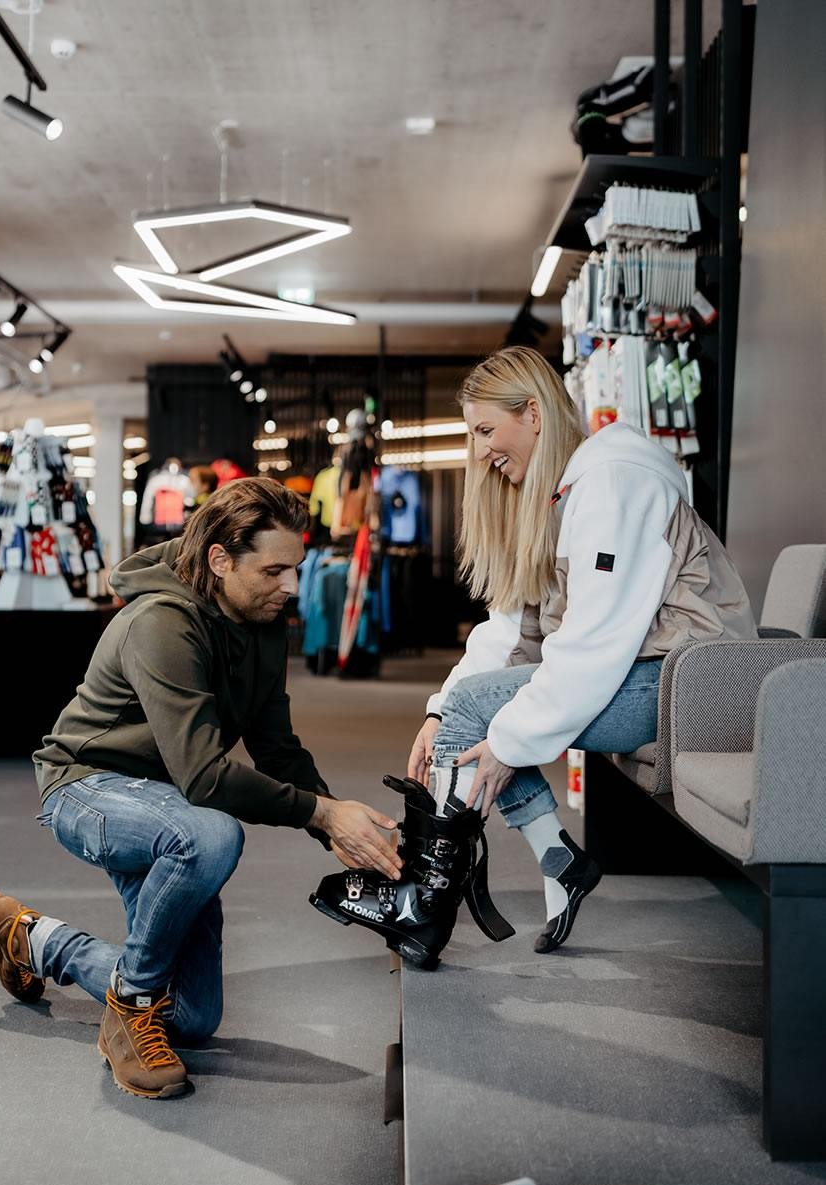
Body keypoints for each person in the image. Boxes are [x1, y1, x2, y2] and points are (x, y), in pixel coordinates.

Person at [311, 346, 757, 964]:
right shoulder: (565, 493)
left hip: (695, 688)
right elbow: (508, 631)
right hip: (655, 674)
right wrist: (441, 712)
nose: (480, 451)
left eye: (487, 430)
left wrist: (504, 740)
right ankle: (535, 868)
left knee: (492, 722)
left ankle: (424, 900)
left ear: (534, 414)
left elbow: (596, 643)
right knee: (473, 712)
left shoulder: (615, 483)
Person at [0, 478, 402, 1100]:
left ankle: (32, 939)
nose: (291, 587)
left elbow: (277, 747)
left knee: (195, 1020)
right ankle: (129, 1012)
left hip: (168, 803)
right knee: (211, 832)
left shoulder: (261, 620)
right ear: (220, 560)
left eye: (297, 569)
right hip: (87, 788)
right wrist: (321, 814)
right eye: (275, 570)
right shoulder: (161, 622)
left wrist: (336, 826)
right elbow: (205, 776)